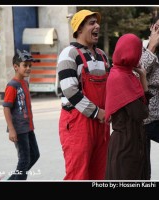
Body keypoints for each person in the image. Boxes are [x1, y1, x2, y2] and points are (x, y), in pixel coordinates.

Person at [57, 9, 110, 180]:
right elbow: (70, 90)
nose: (97, 26)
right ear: (79, 29)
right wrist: (97, 112)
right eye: (91, 23)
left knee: (100, 174)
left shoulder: (102, 56)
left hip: (101, 123)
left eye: (97, 22)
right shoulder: (69, 54)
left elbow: (110, 87)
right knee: (77, 175)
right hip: (77, 123)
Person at [105, 33, 153, 180]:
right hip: (126, 147)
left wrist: (142, 76)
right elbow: (142, 113)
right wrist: (143, 79)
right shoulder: (121, 78)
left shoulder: (126, 74)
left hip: (132, 142)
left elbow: (142, 109)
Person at [140, 11, 159, 180]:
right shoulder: (137, 48)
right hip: (138, 120)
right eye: (157, 28)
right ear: (151, 28)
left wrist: (145, 75)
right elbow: (134, 77)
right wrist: (151, 47)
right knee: (143, 172)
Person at [2, 49, 40, 180]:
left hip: (28, 127)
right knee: (24, 160)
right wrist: (11, 129)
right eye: (25, 65)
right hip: (19, 129)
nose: (28, 68)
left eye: (30, 66)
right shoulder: (12, 85)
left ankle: (12, 180)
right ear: (16, 67)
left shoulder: (25, 82)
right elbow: (6, 108)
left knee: (35, 155)